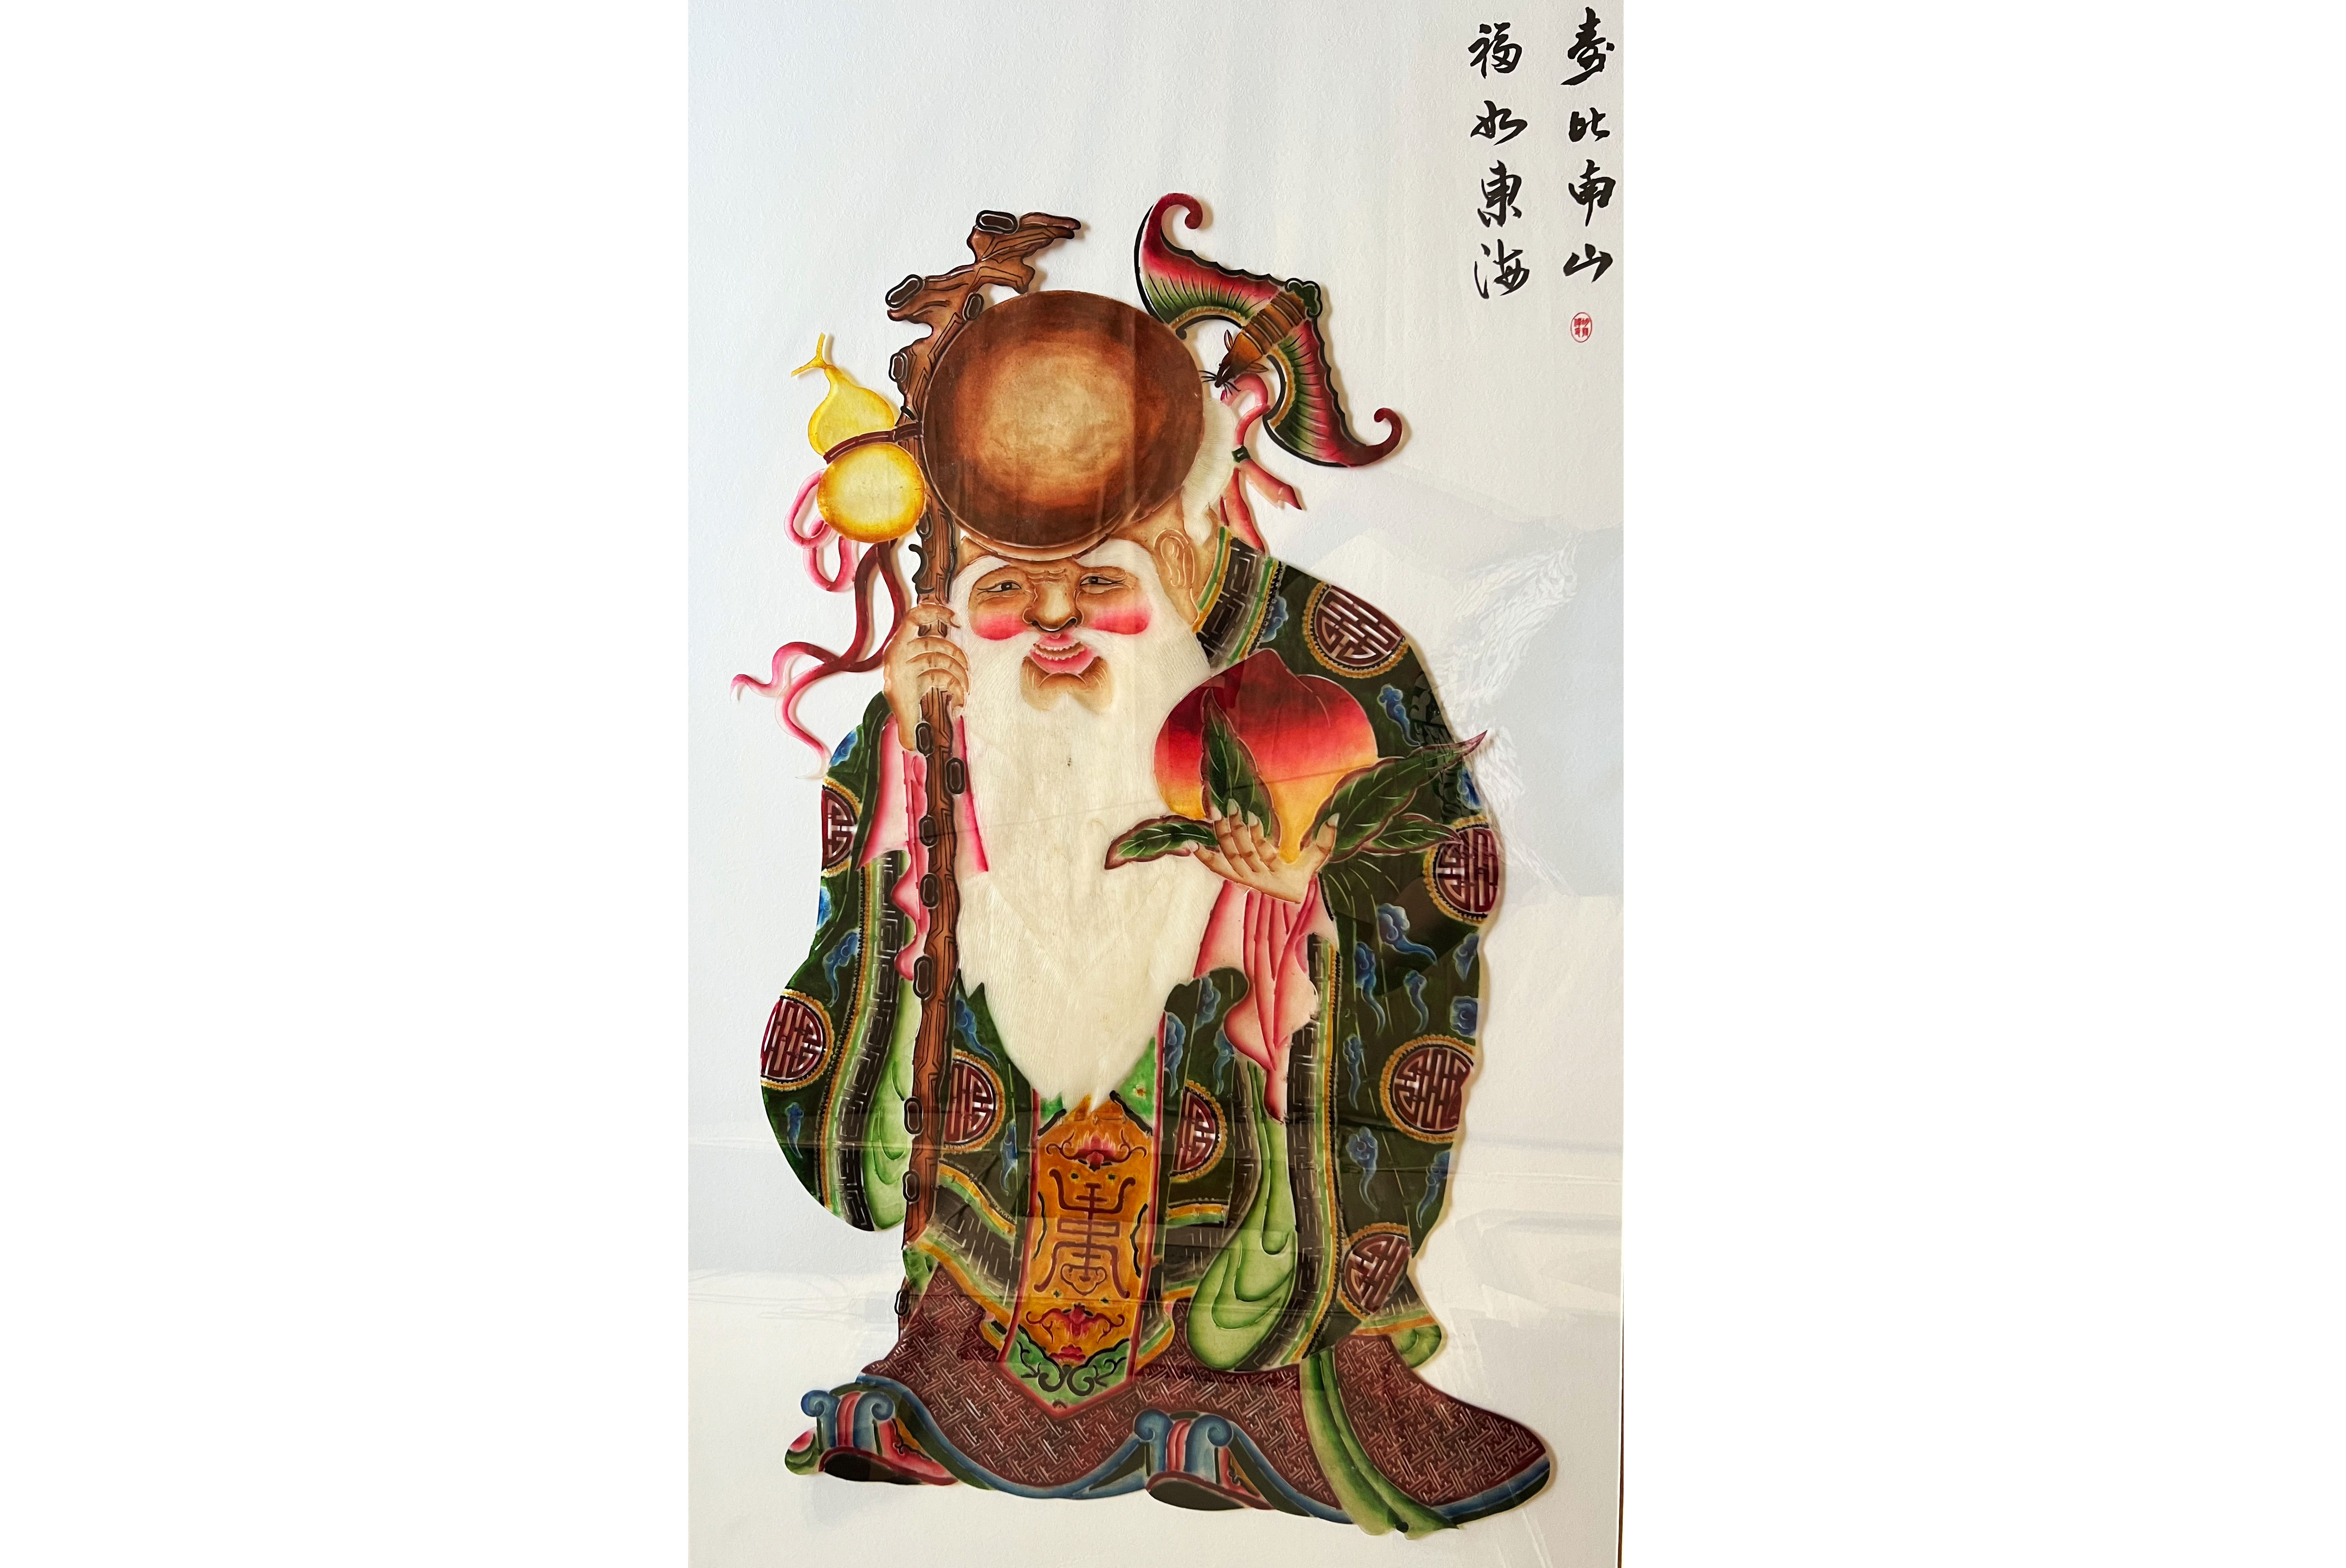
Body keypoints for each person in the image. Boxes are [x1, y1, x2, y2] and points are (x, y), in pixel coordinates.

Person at [755, 277, 1544, 1534]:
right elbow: (883, 895)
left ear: (1179, 540)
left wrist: (1302, 905)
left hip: (1222, 1114)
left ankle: (1229, 1394)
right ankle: (950, 1369)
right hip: (1005, 1148)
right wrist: (909, 746)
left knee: (1235, 1226)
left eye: (1097, 579)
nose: (1054, 623)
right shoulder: (951, 668)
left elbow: (1432, 883)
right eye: (1013, 585)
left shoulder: (1327, 653)